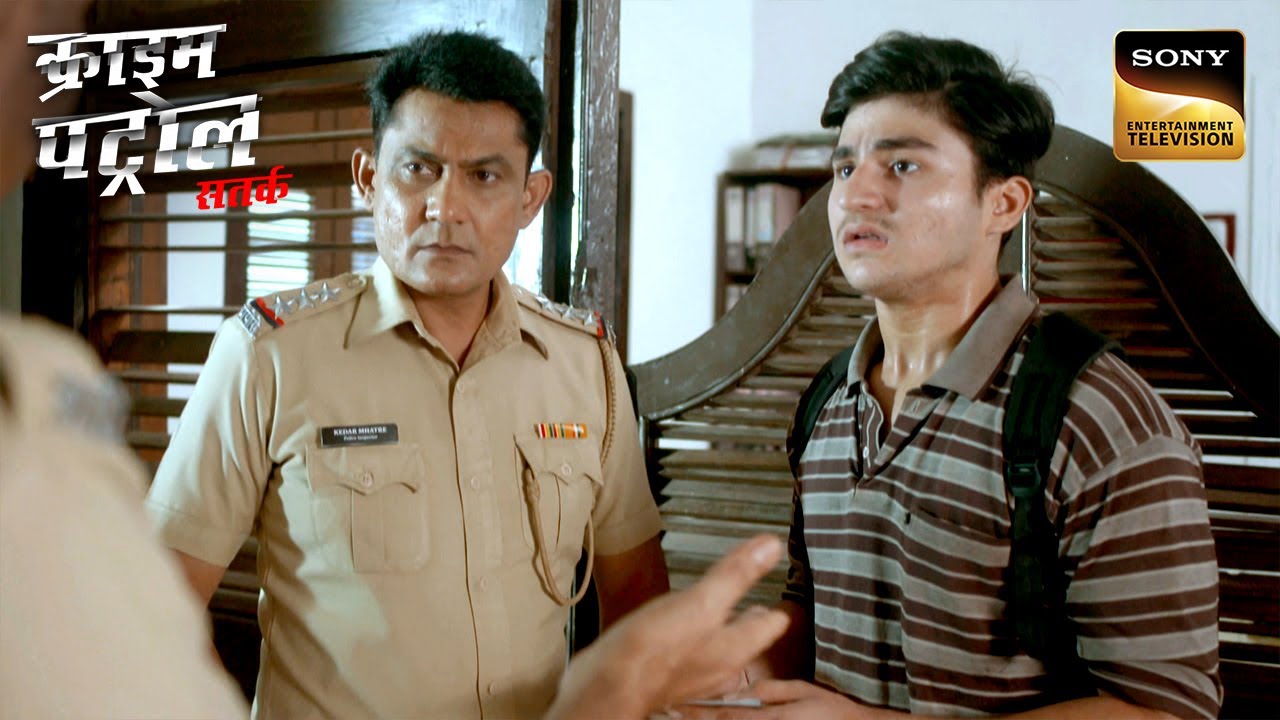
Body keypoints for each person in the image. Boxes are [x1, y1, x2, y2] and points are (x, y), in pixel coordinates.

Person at [144, 29, 669, 719]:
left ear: (531, 198)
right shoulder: (269, 356)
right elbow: (152, 602)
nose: (445, 208)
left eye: (485, 176)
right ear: (369, 179)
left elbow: (637, 596)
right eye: (418, 169)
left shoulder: (584, 364)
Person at [705, 32, 1221, 720]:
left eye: (903, 166)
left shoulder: (1095, 416)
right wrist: (734, 675)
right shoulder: (829, 404)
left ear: (1003, 204)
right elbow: (814, 607)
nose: (857, 196)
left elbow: (1166, 710)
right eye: (845, 167)